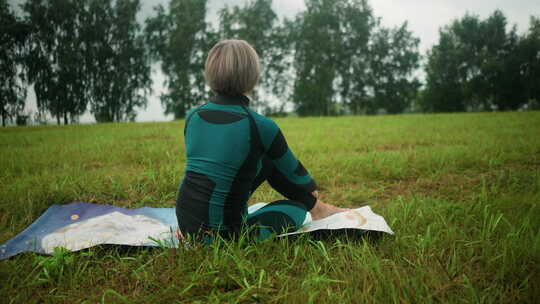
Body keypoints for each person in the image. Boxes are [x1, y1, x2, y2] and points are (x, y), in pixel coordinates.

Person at [176, 39, 348, 242]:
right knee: (297, 209)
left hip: (186, 224)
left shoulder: (193, 116)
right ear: (253, 77)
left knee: (263, 160)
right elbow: (295, 174)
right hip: (226, 237)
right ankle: (319, 210)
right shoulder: (260, 125)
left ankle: (320, 209)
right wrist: (309, 190)